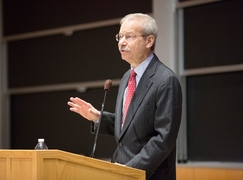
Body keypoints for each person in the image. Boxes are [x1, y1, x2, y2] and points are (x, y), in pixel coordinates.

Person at [67, 13, 182, 180]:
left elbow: (164, 139)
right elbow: (130, 126)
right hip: (121, 172)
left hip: (148, 175)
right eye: (120, 37)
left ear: (149, 41)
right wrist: (98, 117)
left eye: (129, 36)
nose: (122, 42)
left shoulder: (165, 80)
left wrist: (130, 171)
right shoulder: (127, 77)